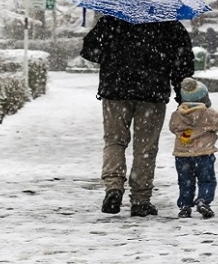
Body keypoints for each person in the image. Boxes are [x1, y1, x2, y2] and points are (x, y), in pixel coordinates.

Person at [80, 15, 195, 217]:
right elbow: (183, 63)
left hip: (115, 90)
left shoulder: (111, 20)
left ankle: (113, 186)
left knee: (114, 141)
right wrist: (181, 93)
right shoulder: (169, 24)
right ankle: (141, 200)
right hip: (152, 93)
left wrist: (112, 57)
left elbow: (89, 50)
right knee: (146, 147)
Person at [168, 78, 218, 219]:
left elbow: (172, 128)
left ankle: (185, 205)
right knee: (206, 180)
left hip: (182, 155)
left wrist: (187, 132)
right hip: (204, 153)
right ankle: (203, 201)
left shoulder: (177, 114)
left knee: (185, 181)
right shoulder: (209, 114)